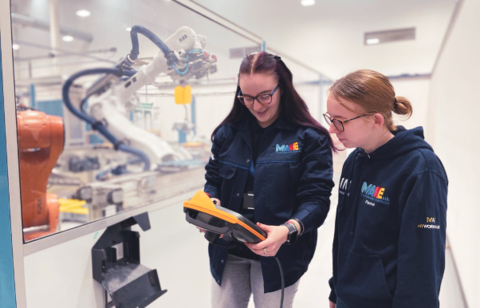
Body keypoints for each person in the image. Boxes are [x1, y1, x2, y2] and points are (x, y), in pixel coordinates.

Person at [203, 51, 335, 308]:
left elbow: (317, 200)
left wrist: (287, 231)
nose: (257, 105)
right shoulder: (227, 134)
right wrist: (210, 202)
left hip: (279, 254)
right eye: (248, 97)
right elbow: (213, 179)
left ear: (282, 88)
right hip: (227, 249)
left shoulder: (309, 137)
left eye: (265, 95)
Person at [324, 69, 448, 308]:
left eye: (340, 121)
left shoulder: (421, 169)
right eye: (331, 119)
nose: (332, 129)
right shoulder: (355, 161)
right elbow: (344, 235)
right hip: (347, 297)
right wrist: (335, 291)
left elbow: (422, 260)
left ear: (376, 120)